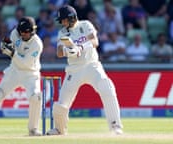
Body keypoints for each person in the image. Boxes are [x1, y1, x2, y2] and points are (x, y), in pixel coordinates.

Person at [46, 5, 123, 135]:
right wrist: (67, 51)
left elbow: (94, 41)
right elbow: (59, 52)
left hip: (92, 65)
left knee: (107, 89)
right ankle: (59, 129)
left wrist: (80, 48)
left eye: (64, 20)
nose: (62, 23)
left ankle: (115, 125)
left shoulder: (86, 24)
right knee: (62, 103)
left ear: (71, 18)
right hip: (74, 70)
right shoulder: (62, 33)